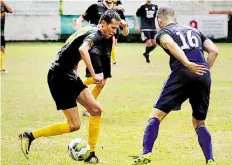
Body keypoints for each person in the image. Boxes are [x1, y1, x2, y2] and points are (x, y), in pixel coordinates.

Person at [19, 10, 122, 163]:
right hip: (59, 77)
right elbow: (82, 50)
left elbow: (71, 44)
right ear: (103, 24)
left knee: (96, 109)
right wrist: (93, 75)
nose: (115, 32)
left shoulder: (90, 28)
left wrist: (73, 66)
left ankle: (91, 153)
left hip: (67, 73)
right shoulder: (96, 34)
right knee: (74, 125)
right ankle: (30, 136)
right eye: (113, 28)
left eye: (117, 28)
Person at [131, 5, 218, 165]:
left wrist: (187, 64)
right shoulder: (193, 30)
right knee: (199, 122)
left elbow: (170, 44)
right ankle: (210, 159)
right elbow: (214, 50)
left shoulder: (163, 32)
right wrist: (203, 70)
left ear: (160, 20)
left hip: (182, 73)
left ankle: (146, 154)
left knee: (156, 115)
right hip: (203, 76)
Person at [75, 0, 129, 116]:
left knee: (102, 82)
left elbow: (125, 33)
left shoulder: (118, 11)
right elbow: (79, 20)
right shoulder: (95, 7)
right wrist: (80, 33)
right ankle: (73, 87)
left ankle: (86, 107)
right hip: (94, 47)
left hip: (107, 49)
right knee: (98, 78)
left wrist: (124, 27)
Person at [0, 0, 13, 73]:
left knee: (2, 49)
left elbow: (10, 10)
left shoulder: (2, 5)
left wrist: (3, 2)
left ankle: (1, 68)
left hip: (1, 33)